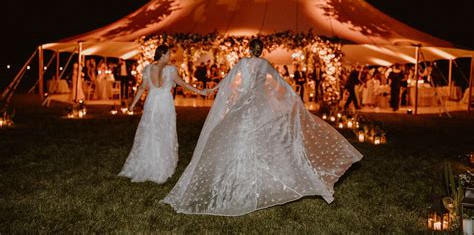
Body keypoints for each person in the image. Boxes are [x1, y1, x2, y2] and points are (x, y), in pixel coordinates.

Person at [161, 39, 363, 216]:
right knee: (268, 137)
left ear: (250, 50)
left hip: (244, 104)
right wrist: (293, 96)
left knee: (238, 136)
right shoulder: (265, 64)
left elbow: (228, 80)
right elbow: (280, 82)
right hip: (260, 105)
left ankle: (243, 178)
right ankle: (252, 178)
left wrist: (211, 89)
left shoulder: (242, 63)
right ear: (262, 50)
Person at [118, 45, 208, 184]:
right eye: (169, 54)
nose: (170, 56)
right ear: (163, 55)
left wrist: (132, 104)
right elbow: (183, 84)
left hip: (152, 103)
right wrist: (200, 92)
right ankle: (161, 164)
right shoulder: (171, 70)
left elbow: (142, 88)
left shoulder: (148, 69)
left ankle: (147, 162)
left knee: (150, 131)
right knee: (165, 131)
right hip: (165, 104)